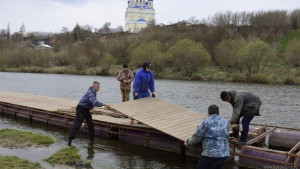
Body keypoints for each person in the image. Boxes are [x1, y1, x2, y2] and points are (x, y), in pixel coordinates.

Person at [185, 105, 229, 169]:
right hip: (224, 154)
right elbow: (227, 136)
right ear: (218, 112)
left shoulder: (205, 121)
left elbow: (197, 137)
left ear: (208, 112)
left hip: (210, 155)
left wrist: (188, 143)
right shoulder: (225, 122)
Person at [68, 81, 111, 146]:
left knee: (91, 124)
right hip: (81, 109)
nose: (99, 88)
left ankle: (91, 140)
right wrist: (104, 104)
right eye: (98, 87)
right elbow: (95, 103)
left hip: (86, 110)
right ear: (95, 86)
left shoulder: (92, 91)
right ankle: (70, 140)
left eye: (99, 87)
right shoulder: (91, 92)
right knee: (77, 125)